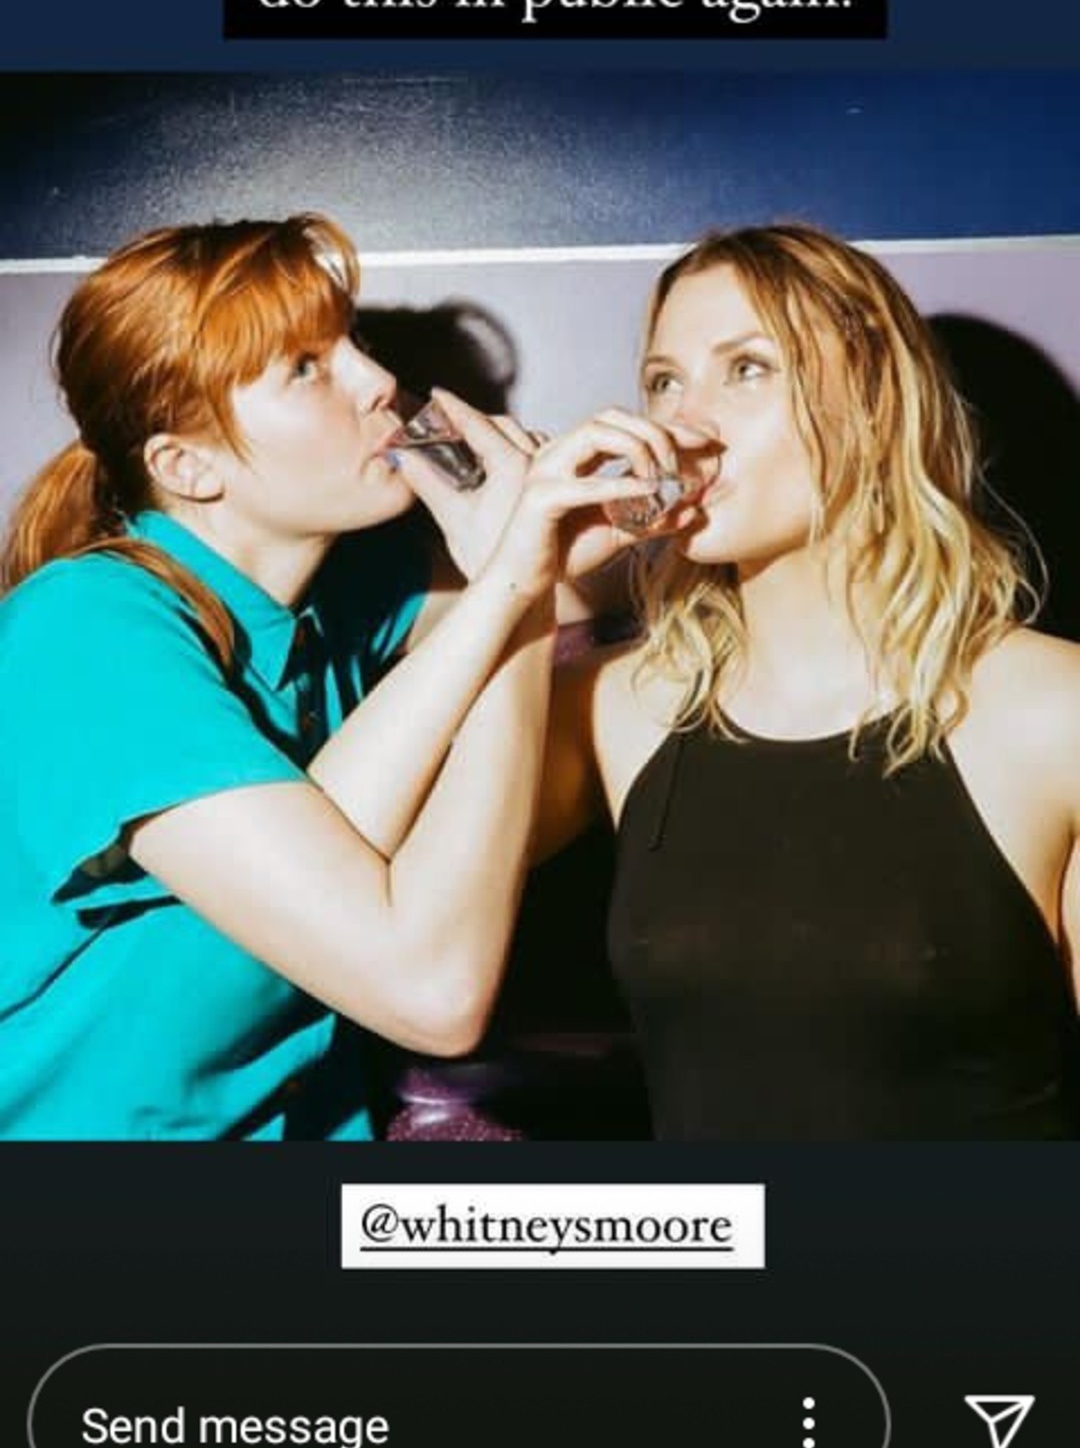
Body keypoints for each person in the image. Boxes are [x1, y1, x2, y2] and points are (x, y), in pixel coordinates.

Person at [0, 213, 669, 1140]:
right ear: (186, 465)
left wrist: (596, 518)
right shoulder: (84, 628)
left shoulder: (336, 596)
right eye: (306, 368)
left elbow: (588, 586)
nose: (378, 379)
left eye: (353, 342)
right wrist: (513, 584)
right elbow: (434, 995)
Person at [543, 224, 1080, 1139]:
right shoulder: (618, 707)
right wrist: (515, 586)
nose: (682, 426)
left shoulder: (1049, 711)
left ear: (874, 403)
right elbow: (366, 904)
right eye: (664, 381)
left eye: (746, 370)